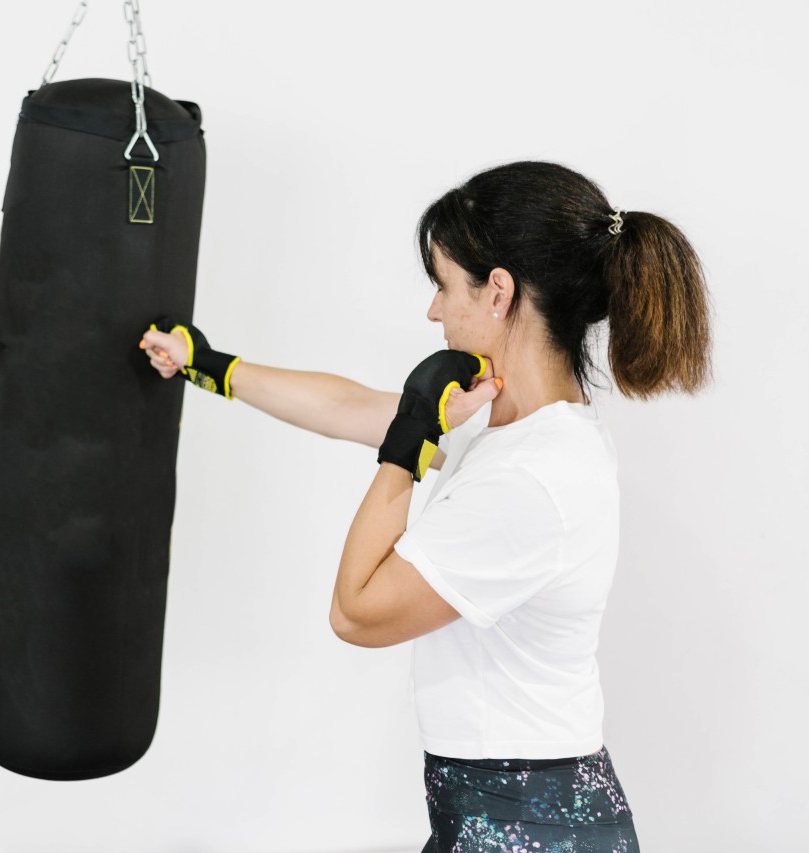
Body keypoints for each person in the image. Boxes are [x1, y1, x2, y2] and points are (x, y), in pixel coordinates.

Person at [138, 161, 712, 853]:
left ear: (498, 291)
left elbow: (355, 609)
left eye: (443, 285)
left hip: (527, 824)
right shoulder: (513, 425)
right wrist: (207, 363)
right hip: (506, 811)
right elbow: (351, 407)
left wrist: (412, 436)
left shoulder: (533, 479)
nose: (434, 310)